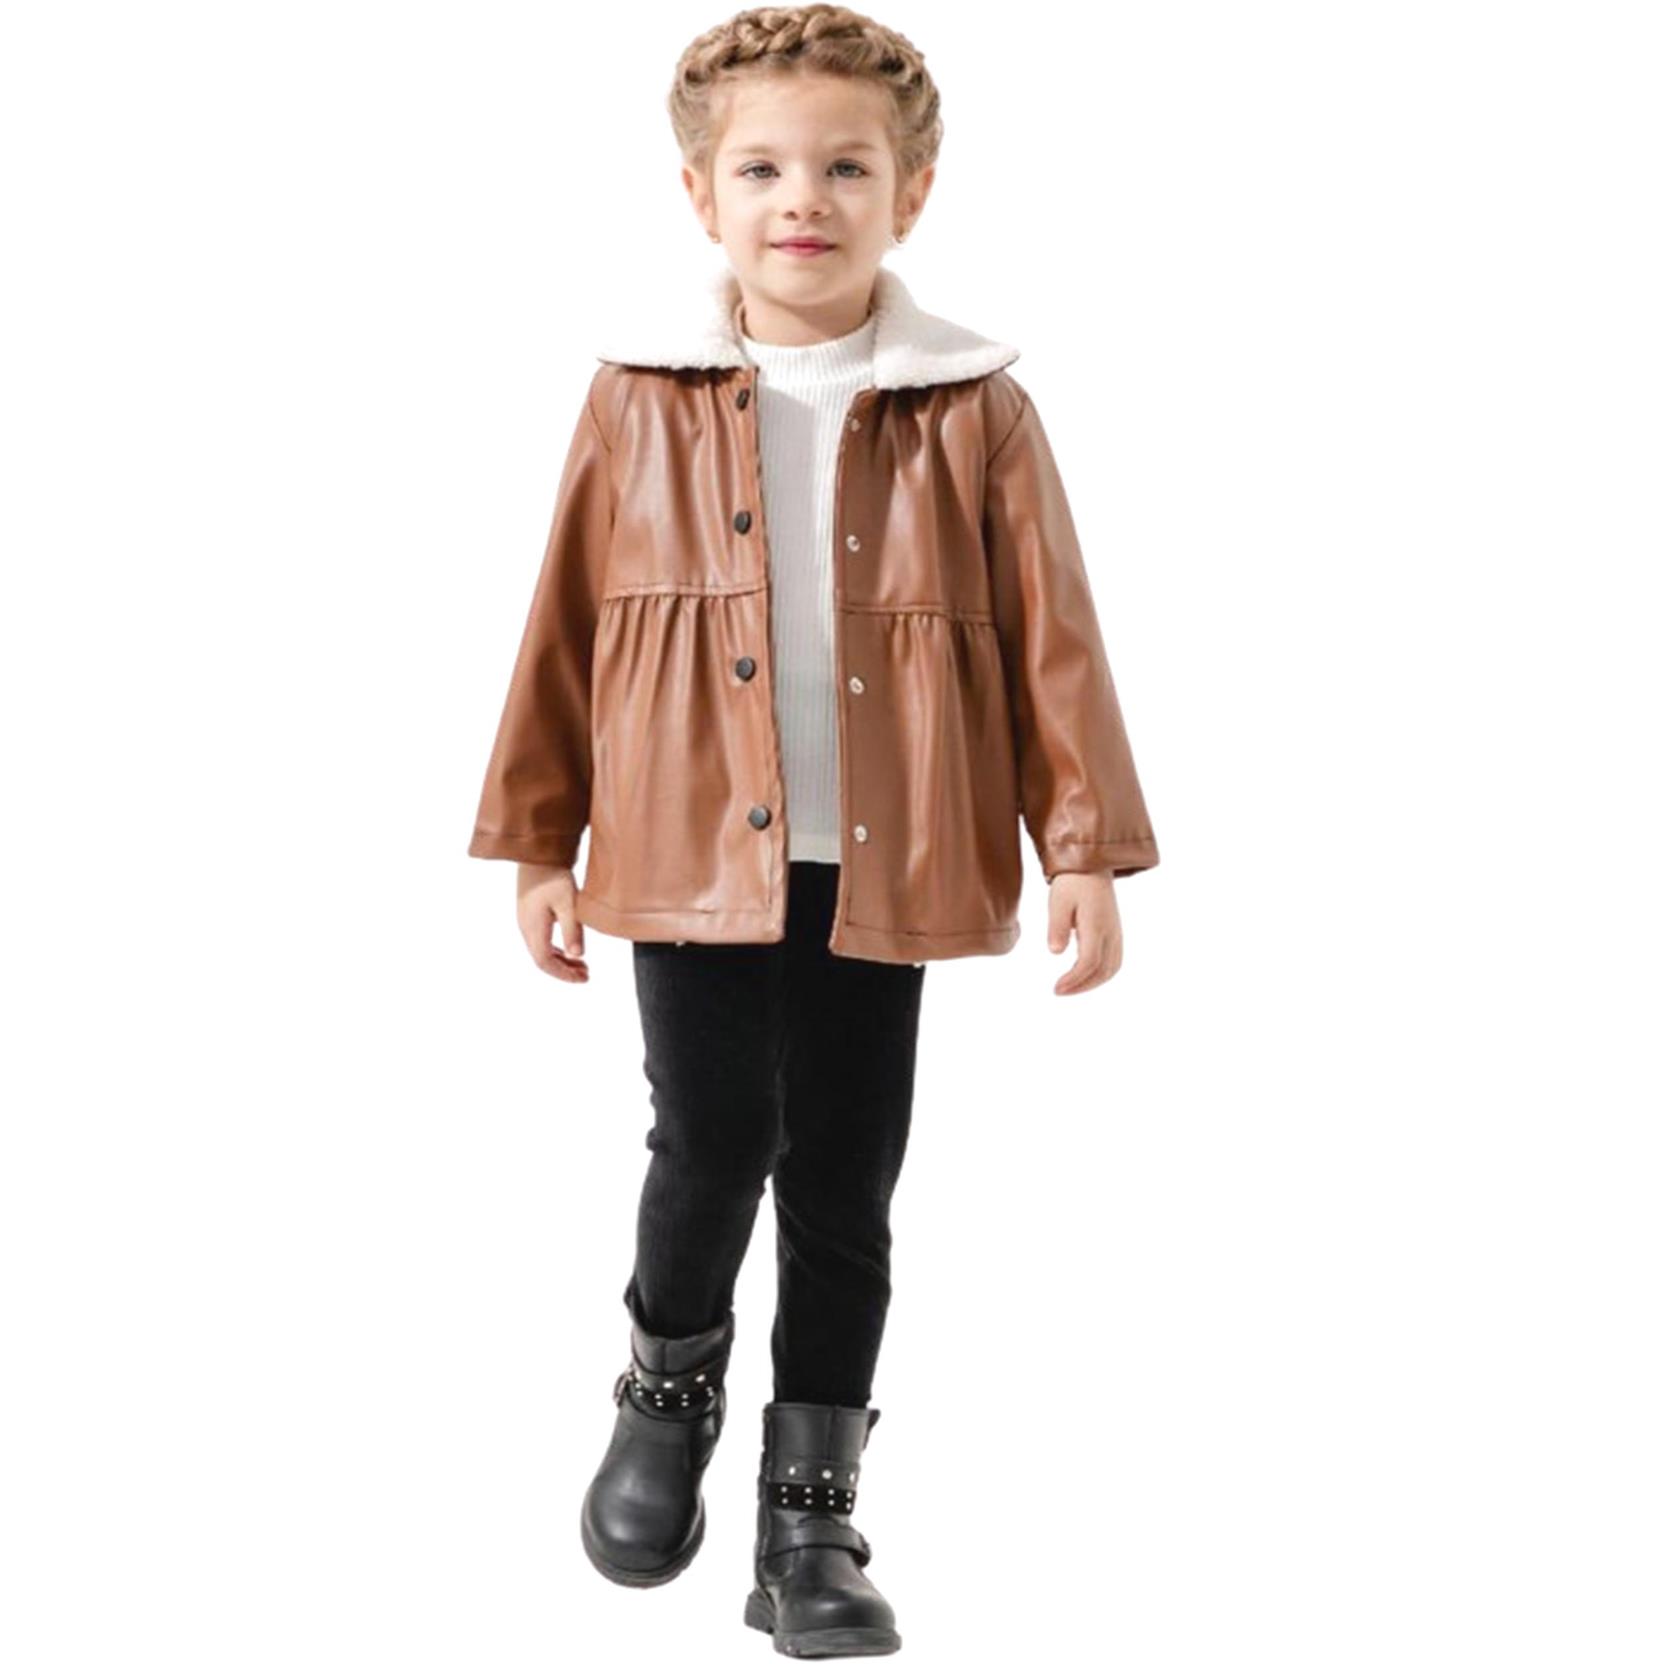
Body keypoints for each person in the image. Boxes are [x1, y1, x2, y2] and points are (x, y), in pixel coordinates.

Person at [466, 6, 1160, 1654]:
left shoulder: (974, 407)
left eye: (848, 168)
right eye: (764, 169)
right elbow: (565, 617)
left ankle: (812, 1520)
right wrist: (540, 838)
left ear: (910, 193)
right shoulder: (635, 397)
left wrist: (1080, 845)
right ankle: (665, 1388)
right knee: (713, 1138)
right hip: (682, 847)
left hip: (887, 850)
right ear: (700, 195)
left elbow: (1054, 636)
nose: (805, 200)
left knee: (847, 1177)